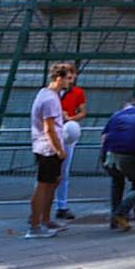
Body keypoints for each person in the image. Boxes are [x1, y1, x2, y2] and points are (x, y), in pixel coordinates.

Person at [27, 62, 73, 239]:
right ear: (59, 78)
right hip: (47, 149)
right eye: (68, 78)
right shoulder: (50, 99)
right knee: (43, 185)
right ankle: (35, 225)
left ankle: (46, 220)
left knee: (52, 183)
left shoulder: (48, 95)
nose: (70, 82)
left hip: (46, 146)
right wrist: (59, 150)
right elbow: (49, 128)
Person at [101, 96, 135, 232]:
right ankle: (120, 212)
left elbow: (104, 137)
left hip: (110, 154)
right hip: (131, 153)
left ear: (125, 106)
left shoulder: (115, 115)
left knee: (117, 181)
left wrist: (104, 157)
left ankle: (114, 220)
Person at [54, 65, 87, 220]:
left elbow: (82, 112)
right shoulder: (50, 94)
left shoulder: (77, 92)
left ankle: (62, 205)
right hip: (52, 132)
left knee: (63, 171)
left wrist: (70, 119)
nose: (70, 82)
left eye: (72, 78)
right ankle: (43, 207)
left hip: (68, 132)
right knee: (46, 172)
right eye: (68, 78)